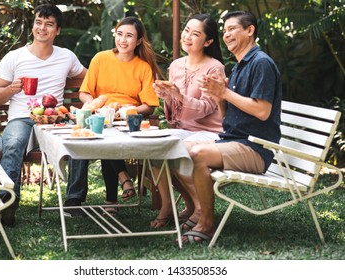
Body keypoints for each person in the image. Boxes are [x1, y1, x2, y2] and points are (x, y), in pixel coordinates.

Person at [181, 11, 282, 243]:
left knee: (198, 154)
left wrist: (225, 92)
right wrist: (219, 98)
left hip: (256, 147)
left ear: (250, 30)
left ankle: (206, 224)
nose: (226, 35)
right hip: (233, 140)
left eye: (232, 29)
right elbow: (229, 118)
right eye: (224, 31)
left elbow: (262, 111)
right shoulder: (239, 66)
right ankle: (197, 209)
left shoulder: (261, 63)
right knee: (176, 149)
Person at [0, 4, 86, 226]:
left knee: (79, 138)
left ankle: (74, 201)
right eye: (38, 22)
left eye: (49, 24)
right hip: (21, 118)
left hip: (55, 118)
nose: (42, 28)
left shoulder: (67, 57)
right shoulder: (14, 57)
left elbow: (90, 78)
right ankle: (8, 203)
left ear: (57, 30)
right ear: (33, 25)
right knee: (12, 144)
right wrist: (11, 89)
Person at [65, 16, 162, 216]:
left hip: (127, 121)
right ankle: (122, 179)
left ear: (138, 41)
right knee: (101, 131)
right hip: (99, 114)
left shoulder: (143, 67)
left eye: (129, 36)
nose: (123, 40)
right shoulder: (101, 58)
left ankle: (113, 197)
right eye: (119, 34)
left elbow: (150, 106)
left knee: (107, 136)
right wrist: (93, 105)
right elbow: (85, 92)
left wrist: (127, 110)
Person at [150, 14, 224, 228]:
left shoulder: (214, 68)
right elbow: (174, 115)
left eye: (196, 34)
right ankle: (167, 205)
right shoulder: (175, 65)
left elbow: (205, 108)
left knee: (177, 149)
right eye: (186, 30)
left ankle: (199, 207)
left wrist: (179, 96)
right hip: (185, 129)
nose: (188, 37)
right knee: (153, 146)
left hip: (210, 132)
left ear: (208, 42)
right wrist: (166, 96)